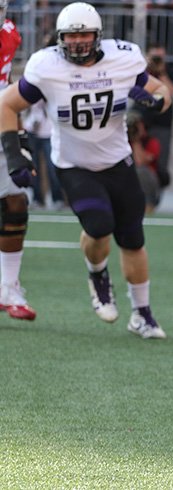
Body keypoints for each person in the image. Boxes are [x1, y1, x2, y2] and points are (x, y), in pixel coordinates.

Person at [0, 1, 171, 338]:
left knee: (133, 238)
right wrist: (15, 153)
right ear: (61, 38)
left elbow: (163, 90)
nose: (78, 42)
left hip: (118, 161)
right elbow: (6, 104)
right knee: (99, 224)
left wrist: (156, 101)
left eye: (85, 35)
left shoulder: (123, 58)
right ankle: (97, 274)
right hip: (74, 164)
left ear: (98, 35)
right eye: (71, 36)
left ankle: (142, 314)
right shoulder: (47, 65)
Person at [0, 0, 35, 321]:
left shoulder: (9, 35)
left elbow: (7, 86)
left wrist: (18, 135)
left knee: (16, 202)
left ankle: (9, 287)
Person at [137, 44, 173, 194]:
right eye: (154, 57)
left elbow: (171, 91)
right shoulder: (141, 71)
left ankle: (157, 194)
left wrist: (161, 72)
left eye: (159, 57)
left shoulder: (169, 70)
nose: (156, 60)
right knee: (138, 158)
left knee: (161, 161)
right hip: (143, 121)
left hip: (162, 122)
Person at [126, 112, 162, 214]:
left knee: (140, 171)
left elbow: (140, 162)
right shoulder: (122, 141)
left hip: (148, 184)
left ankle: (148, 205)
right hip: (127, 182)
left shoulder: (151, 142)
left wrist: (136, 140)